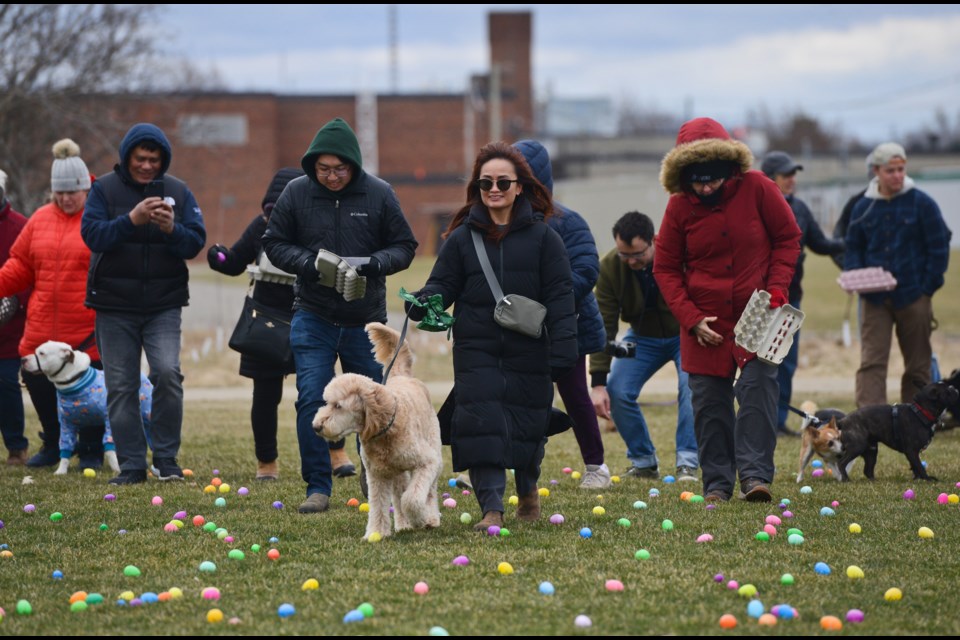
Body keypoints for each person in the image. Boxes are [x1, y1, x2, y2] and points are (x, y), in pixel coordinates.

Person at [407, 141, 577, 531]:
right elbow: (441, 286)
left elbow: (561, 298)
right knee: (480, 425)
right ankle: (492, 509)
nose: (494, 189)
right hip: (476, 349)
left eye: (503, 181)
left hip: (530, 350)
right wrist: (422, 302)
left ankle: (529, 486)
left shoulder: (545, 239)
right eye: (486, 183)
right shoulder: (462, 240)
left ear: (521, 187)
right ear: (477, 189)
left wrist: (564, 350)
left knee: (528, 427)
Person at [262, 117, 418, 514]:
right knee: (312, 398)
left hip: (364, 320)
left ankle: (375, 474)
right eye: (323, 169)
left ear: (354, 164)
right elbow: (274, 242)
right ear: (313, 165)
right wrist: (308, 263)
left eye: (340, 169)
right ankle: (318, 486)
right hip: (312, 314)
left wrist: (373, 263)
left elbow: (404, 245)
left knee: (377, 404)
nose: (331, 177)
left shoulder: (379, 194)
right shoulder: (296, 194)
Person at [655, 117, 801, 503]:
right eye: (696, 180)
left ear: (730, 168)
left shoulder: (759, 189)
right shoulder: (678, 207)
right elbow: (665, 267)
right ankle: (717, 484)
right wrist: (690, 317)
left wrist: (776, 290)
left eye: (713, 178)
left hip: (759, 314)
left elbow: (788, 239)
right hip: (705, 322)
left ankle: (755, 478)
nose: (705, 187)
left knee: (758, 393)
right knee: (708, 403)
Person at [80, 123, 206, 485]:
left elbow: (195, 242)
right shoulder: (103, 189)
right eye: (141, 158)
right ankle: (132, 464)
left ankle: (166, 460)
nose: (147, 165)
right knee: (121, 386)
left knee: (167, 373)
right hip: (113, 305)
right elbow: (92, 235)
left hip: (164, 304)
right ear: (127, 157)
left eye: (154, 159)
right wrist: (131, 221)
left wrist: (172, 229)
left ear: (163, 159)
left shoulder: (179, 192)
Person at [0, 141, 105, 470]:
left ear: (85, 188)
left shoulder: (98, 219)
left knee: (90, 390)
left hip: (85, 324)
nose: (66, 198)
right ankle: (53, 441)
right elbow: (19, 265)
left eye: (72, 192)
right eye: (60, 192)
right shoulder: (40, 220)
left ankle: (90, 447)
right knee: (37, 380)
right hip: (42, 324)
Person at [513, 139, 610, 489]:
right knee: (520, 397)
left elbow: (586, 270)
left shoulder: (568, 222)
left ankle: (596, 467)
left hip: (569, 326)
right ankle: (518, 466)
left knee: (575, 395)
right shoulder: (500, 222)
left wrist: (547, 297)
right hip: (519, 326)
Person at [207, 167, 303, 481]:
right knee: (264, 396)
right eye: (271, 210)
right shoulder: (260, 227)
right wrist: (218, 257)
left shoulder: (316, 229)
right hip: (265, 322)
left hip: (309, 319)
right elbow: (234, 262)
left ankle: (334, 453)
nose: (275, 217)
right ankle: (266, 462)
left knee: (317, 392)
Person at [589, 211, 699, 482]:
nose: (631, 261)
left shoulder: (677, 255)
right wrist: (598, 382)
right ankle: (643, 462)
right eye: (624, 255)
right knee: (618, 390)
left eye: (637, 254)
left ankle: (687, 461)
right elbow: (604, 325)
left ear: (653, 241)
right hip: (642, 337)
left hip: (685, 332)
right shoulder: (610, 268)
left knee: (692, 387)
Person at [844, 142, 951, 408]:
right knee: (872, 362)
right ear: (876, 171)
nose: (898, 175)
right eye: (891, 170)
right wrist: (858, 277)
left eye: (901, 169)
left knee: (918, 363)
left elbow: (939, 246)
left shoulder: (922, 203)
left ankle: (918, 418)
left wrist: (927, 287)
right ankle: (870, 422)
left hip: (914, 295)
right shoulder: (862, 207)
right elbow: (853, 247)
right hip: (874, 300)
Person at [760, 151, 845, 436]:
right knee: (758, 363)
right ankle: (757, 420)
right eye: (787, 175)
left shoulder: (801, 209)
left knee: (786, 361)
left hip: (790, 300)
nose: (792, 180)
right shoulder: (756, 208)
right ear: (770, 179)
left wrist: (848, 242)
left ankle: (777, 421)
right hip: (758, 300)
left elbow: (820, 244)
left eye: (794, 175)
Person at [0, 168, 29, 466]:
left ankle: (16, 447)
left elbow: (28, 270)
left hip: (10, 327)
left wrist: (13, 304)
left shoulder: (20, 227)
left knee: (6, 383)